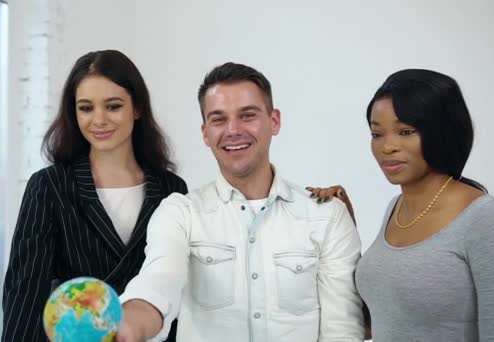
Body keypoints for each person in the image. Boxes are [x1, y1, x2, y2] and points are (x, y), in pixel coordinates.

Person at [116, 62, 365, 342]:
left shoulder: (327, 217)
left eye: (247, 115)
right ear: (205, 132)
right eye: (219, 119)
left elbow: (342, 331)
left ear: (275, 121)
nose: (233, 130)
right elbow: (157, 284)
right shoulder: (180, 213)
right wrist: (129, 325)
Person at [1, 50, 187, 342]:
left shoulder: (171, 189)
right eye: (86, 108)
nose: (98, 120)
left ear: (137, 108)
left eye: (113, 106)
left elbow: (174, 292)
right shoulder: (48, 187)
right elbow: (25, 295)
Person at [324, 69, 494, 341]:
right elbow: (386, 319)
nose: (387, 147)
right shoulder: (395, 209)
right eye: (377, 134)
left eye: (405, 131)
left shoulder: (487, 218)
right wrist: (343, 229)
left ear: (443, 132)